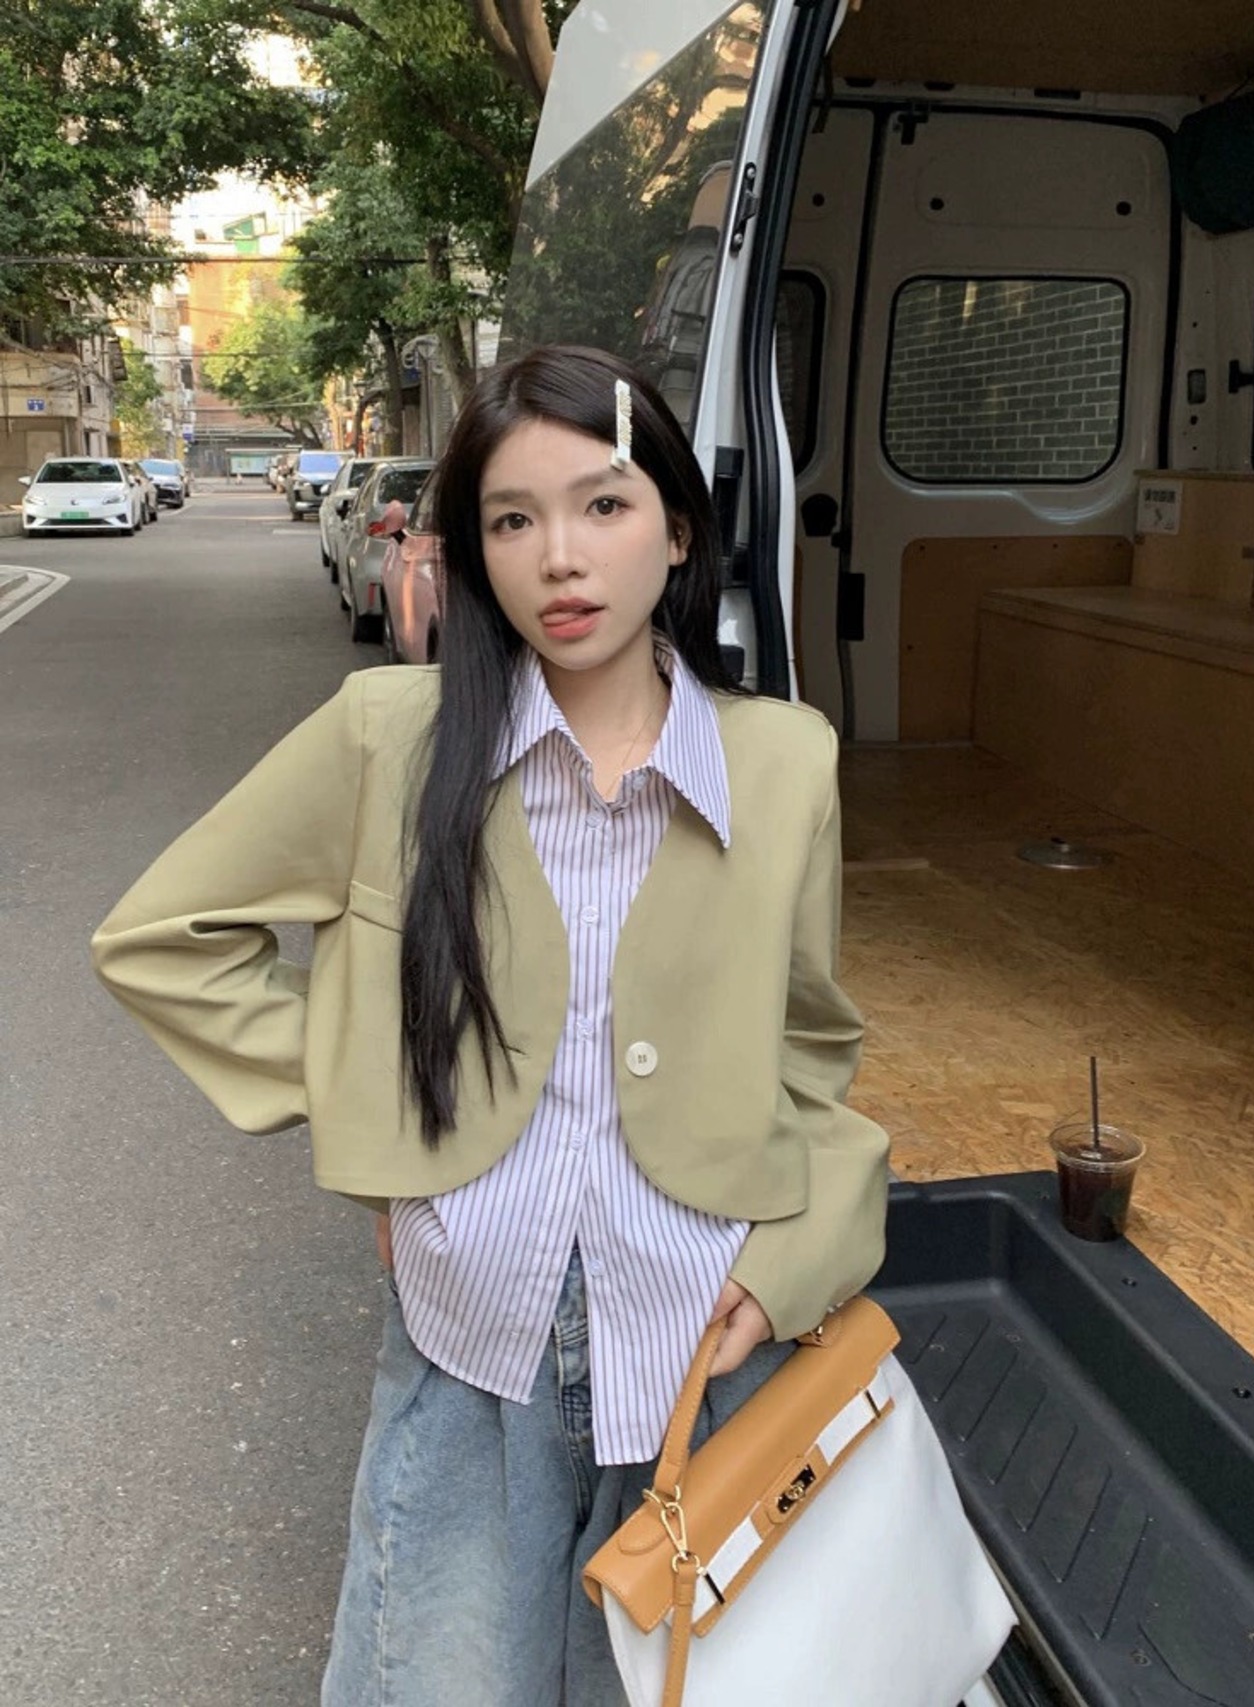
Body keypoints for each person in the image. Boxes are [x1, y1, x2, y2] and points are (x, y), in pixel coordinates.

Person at [90, 345, 889, 1706]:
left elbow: (811, 1046)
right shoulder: (389, 738)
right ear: (475, 552)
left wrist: (787, 1269)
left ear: (678, 530)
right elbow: (162, 939)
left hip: (705, 1342)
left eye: (604, 505)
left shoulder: (783, 760)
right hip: (471, 1344)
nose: (559, 557)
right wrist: (374, 1118)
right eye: (513, 520)